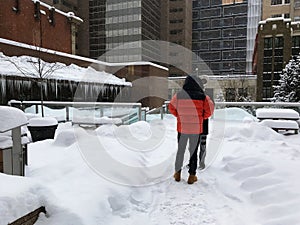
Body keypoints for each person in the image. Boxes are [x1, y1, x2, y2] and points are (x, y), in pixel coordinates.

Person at [168, 75, 214, 184]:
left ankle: (177, 173)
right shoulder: (203, 97)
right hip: (196, 129)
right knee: (193, 152)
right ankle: (192, 176)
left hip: (182, 128)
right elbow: (209, 111)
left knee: (180, 150)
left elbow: (171, 107)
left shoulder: (178, 96)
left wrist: (179, 116)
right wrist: (201, 117)